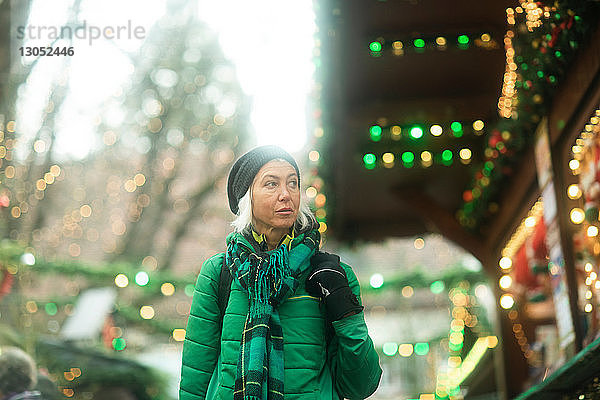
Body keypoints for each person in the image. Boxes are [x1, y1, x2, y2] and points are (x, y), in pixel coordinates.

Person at [179, 145, 382, 400]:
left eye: (293, 183)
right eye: (271, 184)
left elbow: (361, 386)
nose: (286, 194)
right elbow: (195, 378)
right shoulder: (220, 272)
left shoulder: (331, 274)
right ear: (247, 197)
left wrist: (347, 311)